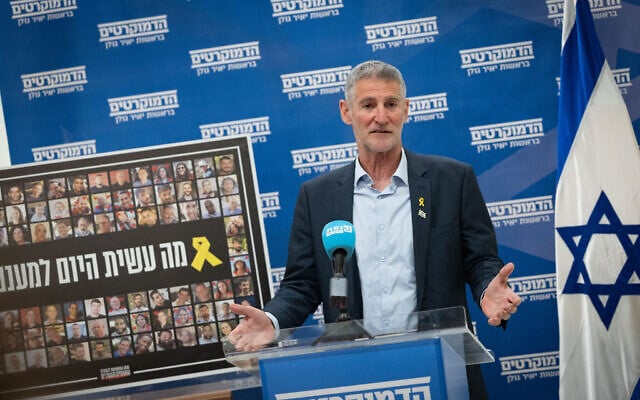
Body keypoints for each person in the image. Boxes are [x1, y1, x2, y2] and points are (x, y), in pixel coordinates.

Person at [227, 61, 522, 400]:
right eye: (368, 105)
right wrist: (272, 320)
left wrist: (488, 289)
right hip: (357, 378)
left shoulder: (453, 181)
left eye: (391, 104)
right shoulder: (317, 196)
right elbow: (302, 284)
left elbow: (480, 260)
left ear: (406, 110)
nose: (380, 116)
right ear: (346, 111)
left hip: (443, 368)